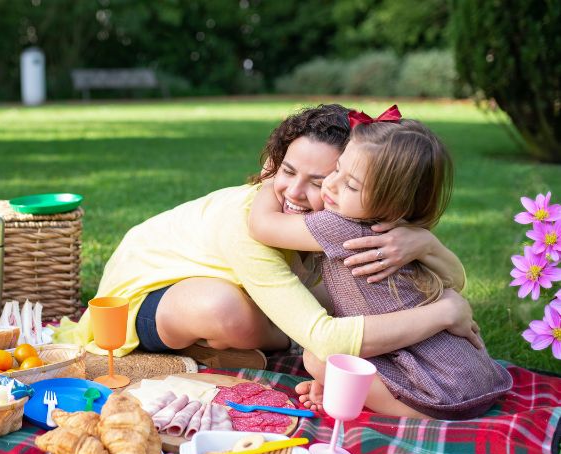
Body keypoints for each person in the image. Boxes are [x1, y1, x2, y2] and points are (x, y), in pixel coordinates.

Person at [55, 104, 481, 368]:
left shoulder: (350, 218)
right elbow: (325, 338)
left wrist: (424, 243)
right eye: (287, 171)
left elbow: (449, 279)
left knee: (344, 302)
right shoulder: (252, 226)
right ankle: (211, 341)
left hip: (234, 288)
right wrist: (444, 314)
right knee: (227, 308)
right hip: (142, 301)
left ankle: (215, 352)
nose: (295, 193)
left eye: (320, 181)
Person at [248, 106, 512, 418]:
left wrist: (271, 177)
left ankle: (414, 413)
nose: (331, 185)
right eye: (336, 170)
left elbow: (262, 225)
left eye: (351, 185)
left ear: (393, 201)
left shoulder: (340, 226)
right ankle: (359, 389)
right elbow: (454, 280)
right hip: (465, 371)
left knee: (318, 358)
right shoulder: (398, 229)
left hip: (443, 388)